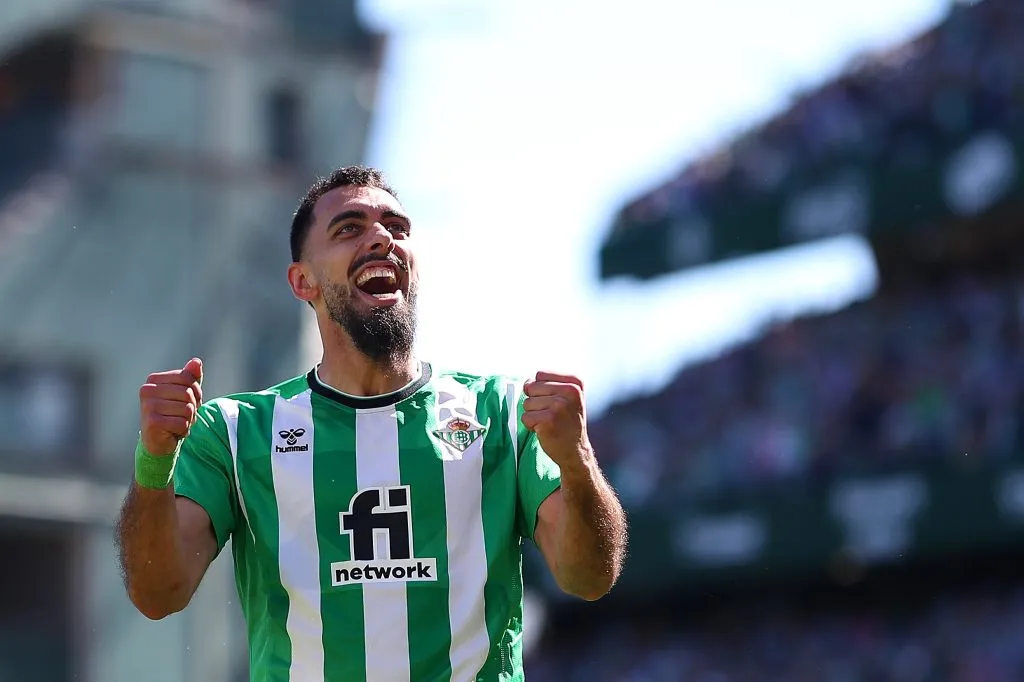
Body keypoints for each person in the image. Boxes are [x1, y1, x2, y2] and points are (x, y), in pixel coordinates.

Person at [115, 165, 628, 682]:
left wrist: (577, 461)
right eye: (349, 228)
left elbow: (589, 577)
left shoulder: (502, 414)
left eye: (397, 227)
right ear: (303, 281)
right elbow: (159, 593)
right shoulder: (234, 431)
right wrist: (155, 460)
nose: (382, 237)